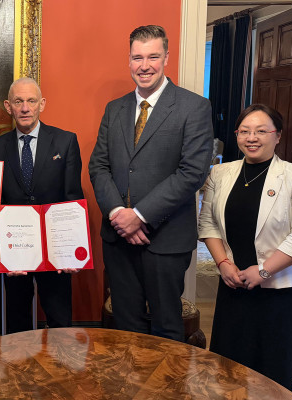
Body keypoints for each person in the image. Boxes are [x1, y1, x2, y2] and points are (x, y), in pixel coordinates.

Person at [88, 25, 213, 341]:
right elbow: (98, 166)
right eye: (137, 57)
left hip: (166, 240)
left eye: (153, 57)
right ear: (129, 60)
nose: (144, 65)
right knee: (126, 327)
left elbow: (192, 172)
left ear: (167, 57)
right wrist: (119, 214)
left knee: (166, 327)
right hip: (119, 240)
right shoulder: (114, 109)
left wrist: (139, 216)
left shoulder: (193, 107)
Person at [198, 104, 292, 390]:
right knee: (228, 367)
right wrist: (223, 264)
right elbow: (208, 225)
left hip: (280, 290)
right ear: (237, 135)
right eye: (244, 131)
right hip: (234, 285)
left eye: (261, 131)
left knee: (273, 371)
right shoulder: (219, 173)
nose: (252, 137)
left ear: (277, 136)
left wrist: (264, 271)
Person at [0, 77, 83, 333]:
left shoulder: (66, 141)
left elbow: (72, 197)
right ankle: (19, 372)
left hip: (57, 251)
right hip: (15, 250)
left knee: (60, 321)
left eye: (31, 101)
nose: (25, 108)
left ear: (42, 104)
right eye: (18, 101)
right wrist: (9, 248)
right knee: (16, 322)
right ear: (8, 106)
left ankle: (62, 372)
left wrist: (70, 250)